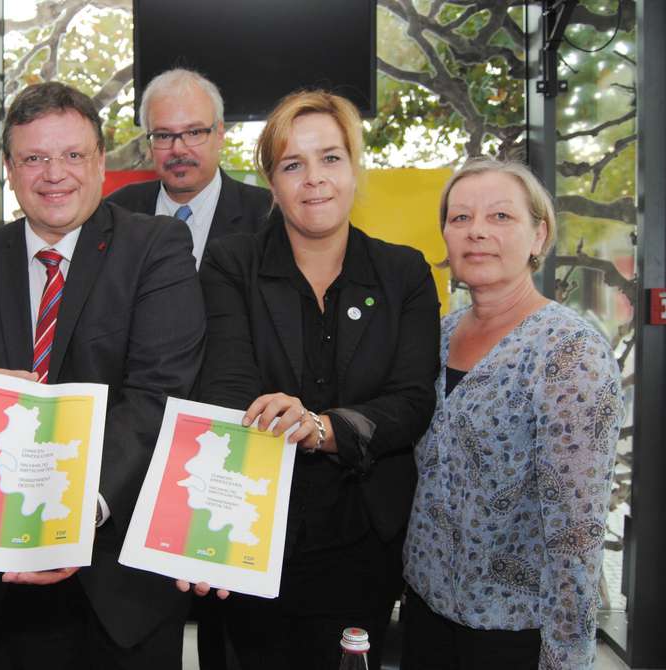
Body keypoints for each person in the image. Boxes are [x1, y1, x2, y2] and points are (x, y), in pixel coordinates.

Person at [0, 81, 205, 670]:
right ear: (9, 171)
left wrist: (72, 515)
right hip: (8, 577)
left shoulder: (155, 246)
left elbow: (159, 395)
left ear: (101, 161)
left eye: (73, 154)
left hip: (120, 576)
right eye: (34, 158)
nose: (54, 174)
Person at [193, 90, 440, 670]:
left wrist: (321, 427)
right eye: (292, 164)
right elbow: (226, 387)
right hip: (248, 524)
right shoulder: (231, 264)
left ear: (355, 167)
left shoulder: (403, 272)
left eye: (331, 158)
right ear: (271, 183)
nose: (315, 179)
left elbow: (410, 401)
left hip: (362, 538)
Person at [402, 159, 624, 669]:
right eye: (460, 217)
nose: (477, 231)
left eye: (500, 216)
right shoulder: (437, 334)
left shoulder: (569, 352)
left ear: (538, 235)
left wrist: (565, 656)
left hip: (514, 634)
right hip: (425, 613)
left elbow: (577, 529)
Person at [106, 68, 271, 267]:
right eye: (163, 135)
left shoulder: (267, 215)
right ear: (149, 143)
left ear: (219, 134)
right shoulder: (115, 213)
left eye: (193, 132)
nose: (178, 149)